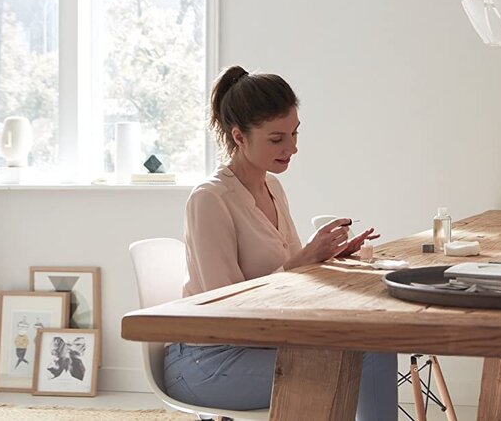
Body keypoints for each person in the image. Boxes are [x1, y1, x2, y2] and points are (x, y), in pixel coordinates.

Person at [164, 66, 397, 417]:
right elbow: (225, 308)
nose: (292, 148)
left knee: (377, 346)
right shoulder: (209, 200)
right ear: (239, 136)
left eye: (294, 134)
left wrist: (328, 256)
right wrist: (300, 262)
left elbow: (291, 282)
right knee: (350, 365)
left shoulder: (272, 187)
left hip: (264, 342)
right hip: (207, 359)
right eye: (277, 139)